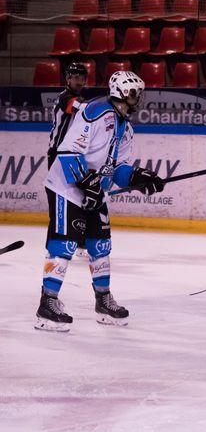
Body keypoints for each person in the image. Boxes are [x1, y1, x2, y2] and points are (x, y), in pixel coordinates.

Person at [36, 71, 166, 332]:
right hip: (67, 188)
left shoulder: (126, 128)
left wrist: (138, 177)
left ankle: (103, 300)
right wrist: (87, 183)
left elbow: (118, 168)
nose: (138, 97)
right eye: (133, 92)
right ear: (119, 91)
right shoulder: (94, 112)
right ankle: (47, 305)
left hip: (94, 192)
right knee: (64, 245)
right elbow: (68, 152)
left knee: (100, 245)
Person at [47, 62, 88, 169]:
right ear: (68, 79)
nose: (80, 81)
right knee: (54, 185)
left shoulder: (77, 97)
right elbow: (74, 108)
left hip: (70, 150)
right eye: (76, 78)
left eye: (82, 78)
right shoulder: (65, 97)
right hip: (58, 149)